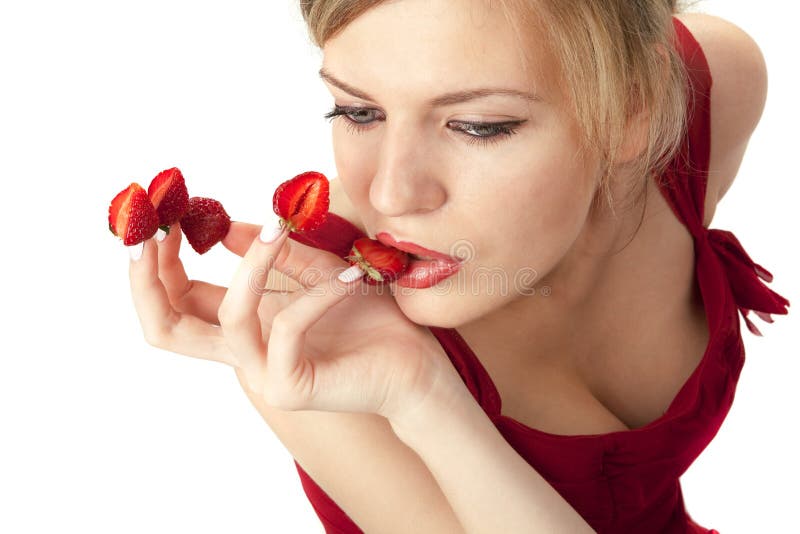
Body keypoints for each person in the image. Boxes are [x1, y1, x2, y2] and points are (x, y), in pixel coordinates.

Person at [126, 0, 790, 532]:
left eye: (478, 125)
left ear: (634, 107)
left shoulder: (709, 89)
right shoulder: (307, 321)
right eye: (358, 111)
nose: (390, 193)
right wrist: (421, 396)